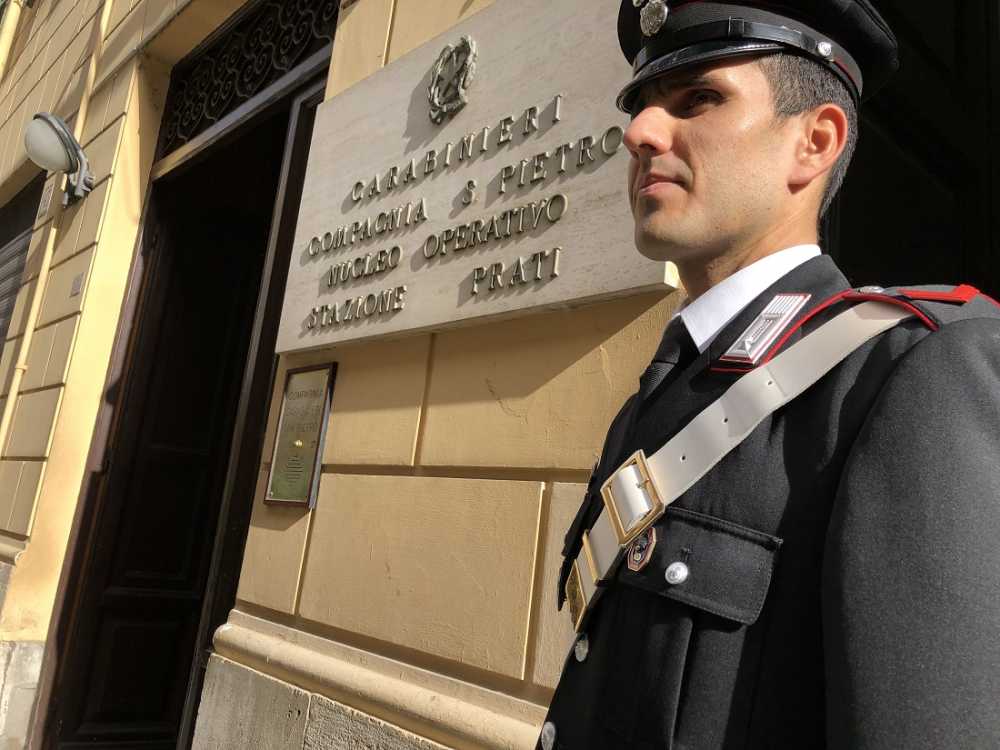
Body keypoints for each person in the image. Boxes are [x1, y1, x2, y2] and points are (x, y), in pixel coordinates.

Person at [538, 1, 1000, 748]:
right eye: (645, 107)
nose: (641, 133)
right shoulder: (660, 392)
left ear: (814, 143)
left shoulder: (906, 373)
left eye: (699, 99)